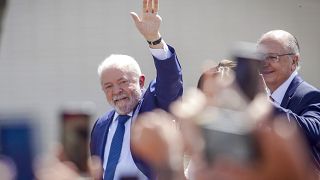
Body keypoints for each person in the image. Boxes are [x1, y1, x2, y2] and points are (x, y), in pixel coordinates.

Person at [90, 0, 183, 179]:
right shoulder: (101, 126)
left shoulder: (155, 106)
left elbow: (170, 80)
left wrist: (154, 39)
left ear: (141, 82)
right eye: (108, 86)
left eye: (123, 82)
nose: (116, 91)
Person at [257, 30, 320, 170]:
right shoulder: (262, 97)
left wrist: (265, 104)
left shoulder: (311, 95)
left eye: (273, 57)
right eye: (260, 57)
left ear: (294, 61)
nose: (264, 63)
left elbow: (313, 131)